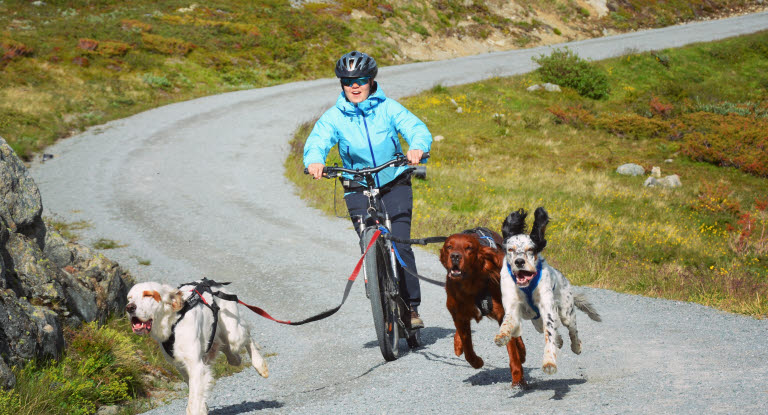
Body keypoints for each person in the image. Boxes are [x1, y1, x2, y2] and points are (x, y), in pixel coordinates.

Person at [304, 51, 433, 329]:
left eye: (360, 79)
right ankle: (378, 291)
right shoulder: (334, 117)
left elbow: (415, 128)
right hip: (357, 184)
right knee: (369, 241)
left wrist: (416, 147)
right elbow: (319, 140)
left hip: (394, 180)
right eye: (348, 81)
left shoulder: (389, 108)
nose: (354, 86)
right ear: (341, 84)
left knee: (400, 241)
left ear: (371, 80)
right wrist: (315, 160)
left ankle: (411, 307)